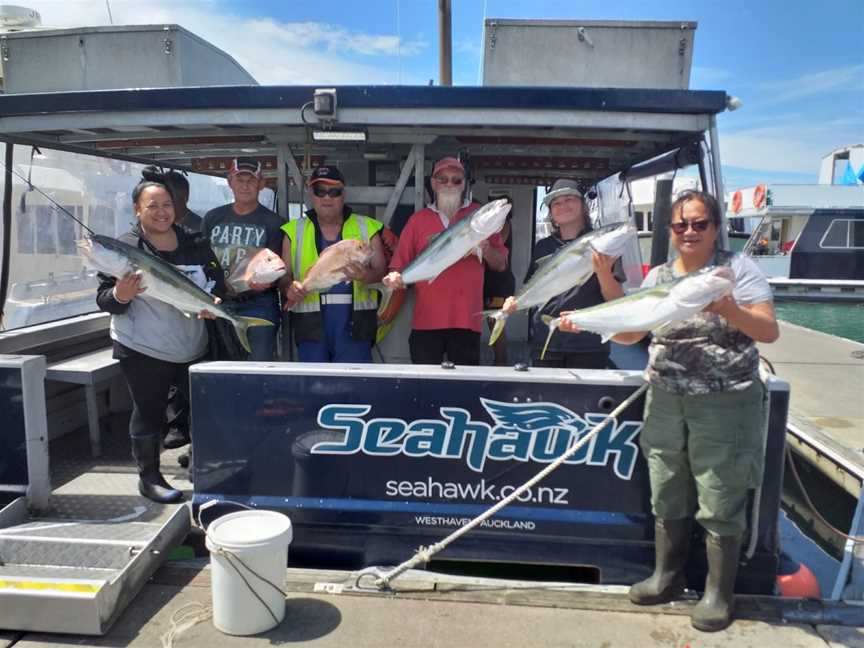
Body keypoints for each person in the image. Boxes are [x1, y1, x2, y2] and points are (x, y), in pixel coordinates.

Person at [561, 190, 779, 632]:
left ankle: (719, 593)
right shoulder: (660, 274)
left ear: (715, 227)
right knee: (666, 485)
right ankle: (667, 577)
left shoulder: (734, 271)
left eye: (699, 224)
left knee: (720, 492)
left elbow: (769, 330)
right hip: (665, 397)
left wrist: (729, 309)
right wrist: (582, 319)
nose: (690, 232)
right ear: (671, 231)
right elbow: (631, 334)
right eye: (681, 225)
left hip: (725, 403)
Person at [96, 169, 225, 504]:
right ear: (137, 209)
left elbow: (216, 281)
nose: (161, 211)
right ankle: (149, 477)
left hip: (191, 344)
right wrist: (121, 295)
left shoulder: (194, 240)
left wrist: (214, 300)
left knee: (203, 410)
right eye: (152, 205)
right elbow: (105, 300)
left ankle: (203, 472)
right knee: (149, 411)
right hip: (142, 347)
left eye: (167, 204)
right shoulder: (124, 249)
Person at [383, 157, 508, 365]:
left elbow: (501, 264)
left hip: (467, 322)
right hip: (426, 322)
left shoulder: (477, 218)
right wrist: (394, 278)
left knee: (461, 391)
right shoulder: (418, 220)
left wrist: (485, 248)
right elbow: (398, 265)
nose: (449, 184)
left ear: (464, 184)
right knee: (424, 390)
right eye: (443, 179)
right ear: (433, 183)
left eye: (456, 180)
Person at [503, 178, 624, 369]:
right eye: (556, 203)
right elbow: (531, 289)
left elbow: (617, 300)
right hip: (546, 340)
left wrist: (603, 273)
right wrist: (514, 303)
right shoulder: (543, 247)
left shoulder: (605, 246)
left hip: (589, 343)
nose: (563, 205)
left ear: (583, 205)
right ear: (551, 212)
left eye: (569, 199)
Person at [282, 165, 387, 362]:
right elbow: (283, 276)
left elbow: (382, 273)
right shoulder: (292, 231)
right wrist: (289, 288)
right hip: (310, 326)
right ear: (311, 195)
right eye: (320, 191)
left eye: (334, 192)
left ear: (343, 195)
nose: (327, 198)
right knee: (314, 388)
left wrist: (365, 276)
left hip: (356, 326)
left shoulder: (368, 227)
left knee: (354, 388)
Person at [203, 157, 290, 361]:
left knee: (260, 364)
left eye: (251, 180)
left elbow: (280, 268)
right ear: (229, 182)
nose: (245, 185)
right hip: (218, 302)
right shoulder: (212, 218)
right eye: (239, 179)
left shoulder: (274, 223)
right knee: (219, 362)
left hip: (259, 303)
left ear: (261, 184)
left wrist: (267, 284)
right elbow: (201, 259)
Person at [483, 199, 515, 366]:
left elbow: (500, 242)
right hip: (487, 279)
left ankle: (501, 363)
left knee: (496, 323)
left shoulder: (504, 223)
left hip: (500, 281)